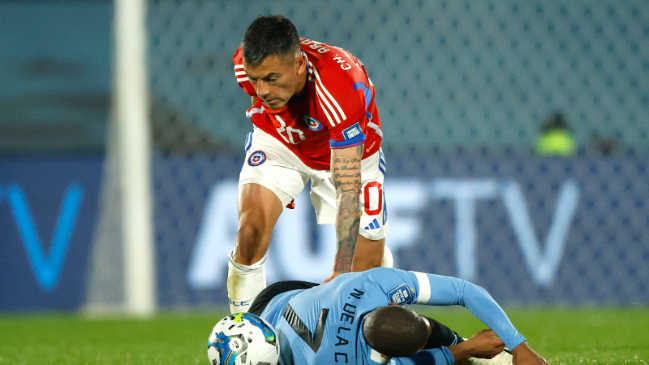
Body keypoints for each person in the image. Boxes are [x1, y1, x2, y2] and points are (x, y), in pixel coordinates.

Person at [228, 14, 389, 313]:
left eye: (272, 80)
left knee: (359, 274)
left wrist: (342, 273)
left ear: (299, 64)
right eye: (255, 80)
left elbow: (348, 186)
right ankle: (244, 333)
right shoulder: (245, 65)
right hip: (282, 144)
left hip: (347, 158)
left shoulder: (341, 89)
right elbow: (257, 95)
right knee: (249, 232)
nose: (262, 91)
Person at [214, 268, 549, 365]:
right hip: (276, 307)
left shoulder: (374, 283)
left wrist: (519, 347)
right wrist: (465, 351)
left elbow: (464, 292)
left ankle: (477, 353)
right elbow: (465, 290)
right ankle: (474, 352)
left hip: (285, 303)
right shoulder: (344, 362)